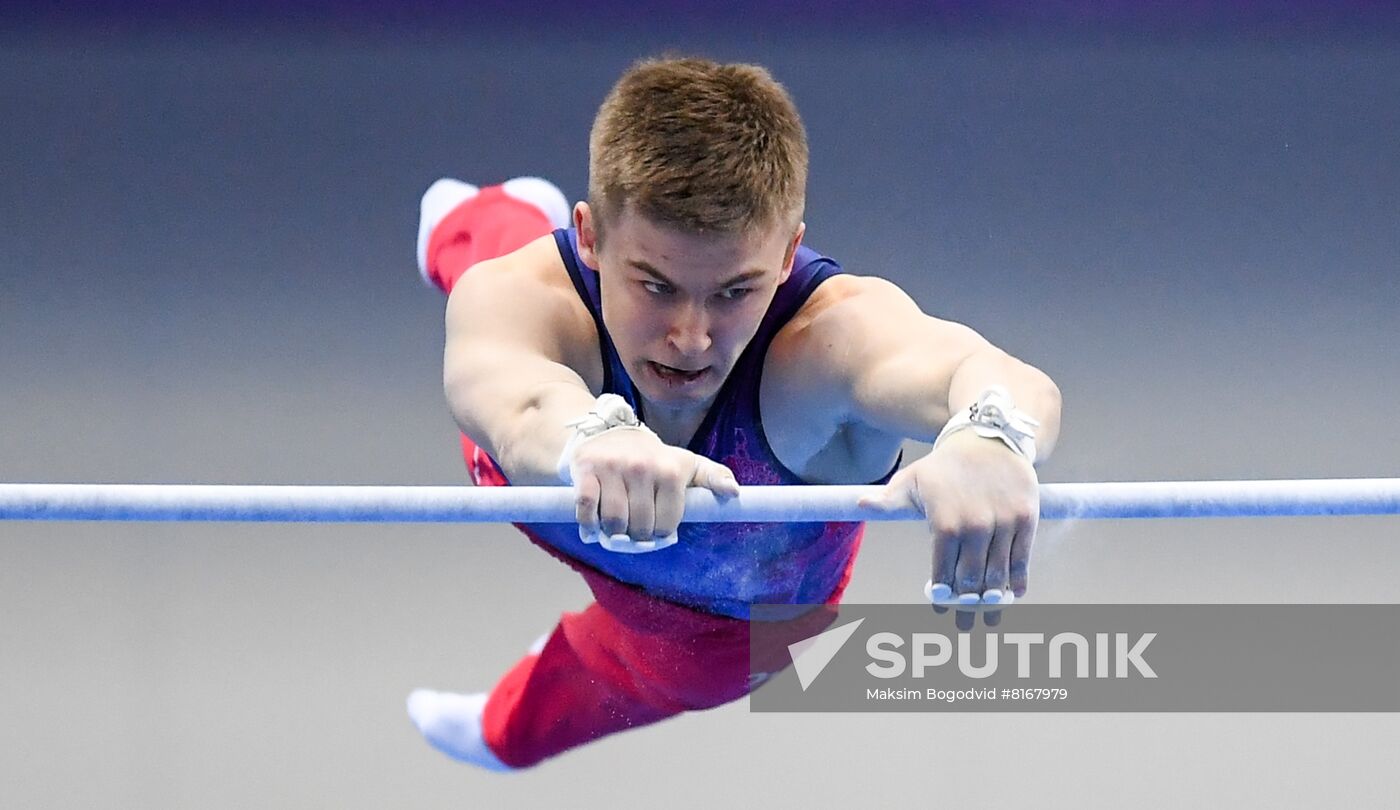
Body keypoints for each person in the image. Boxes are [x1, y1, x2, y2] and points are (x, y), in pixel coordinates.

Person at [406, 56, 1062, 770]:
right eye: (655, 285)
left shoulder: (831, 339)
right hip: (550, 490)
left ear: (787, 255)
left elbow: (993, 374)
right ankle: (478, 220)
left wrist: (990, 437)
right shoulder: (528, 297)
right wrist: (593, 435)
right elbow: (515, 393)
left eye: (733, 292)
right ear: (590, 238)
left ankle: (506, 732)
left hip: (724, 621)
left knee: (558, 716)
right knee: (488, 289)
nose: (690, 337)